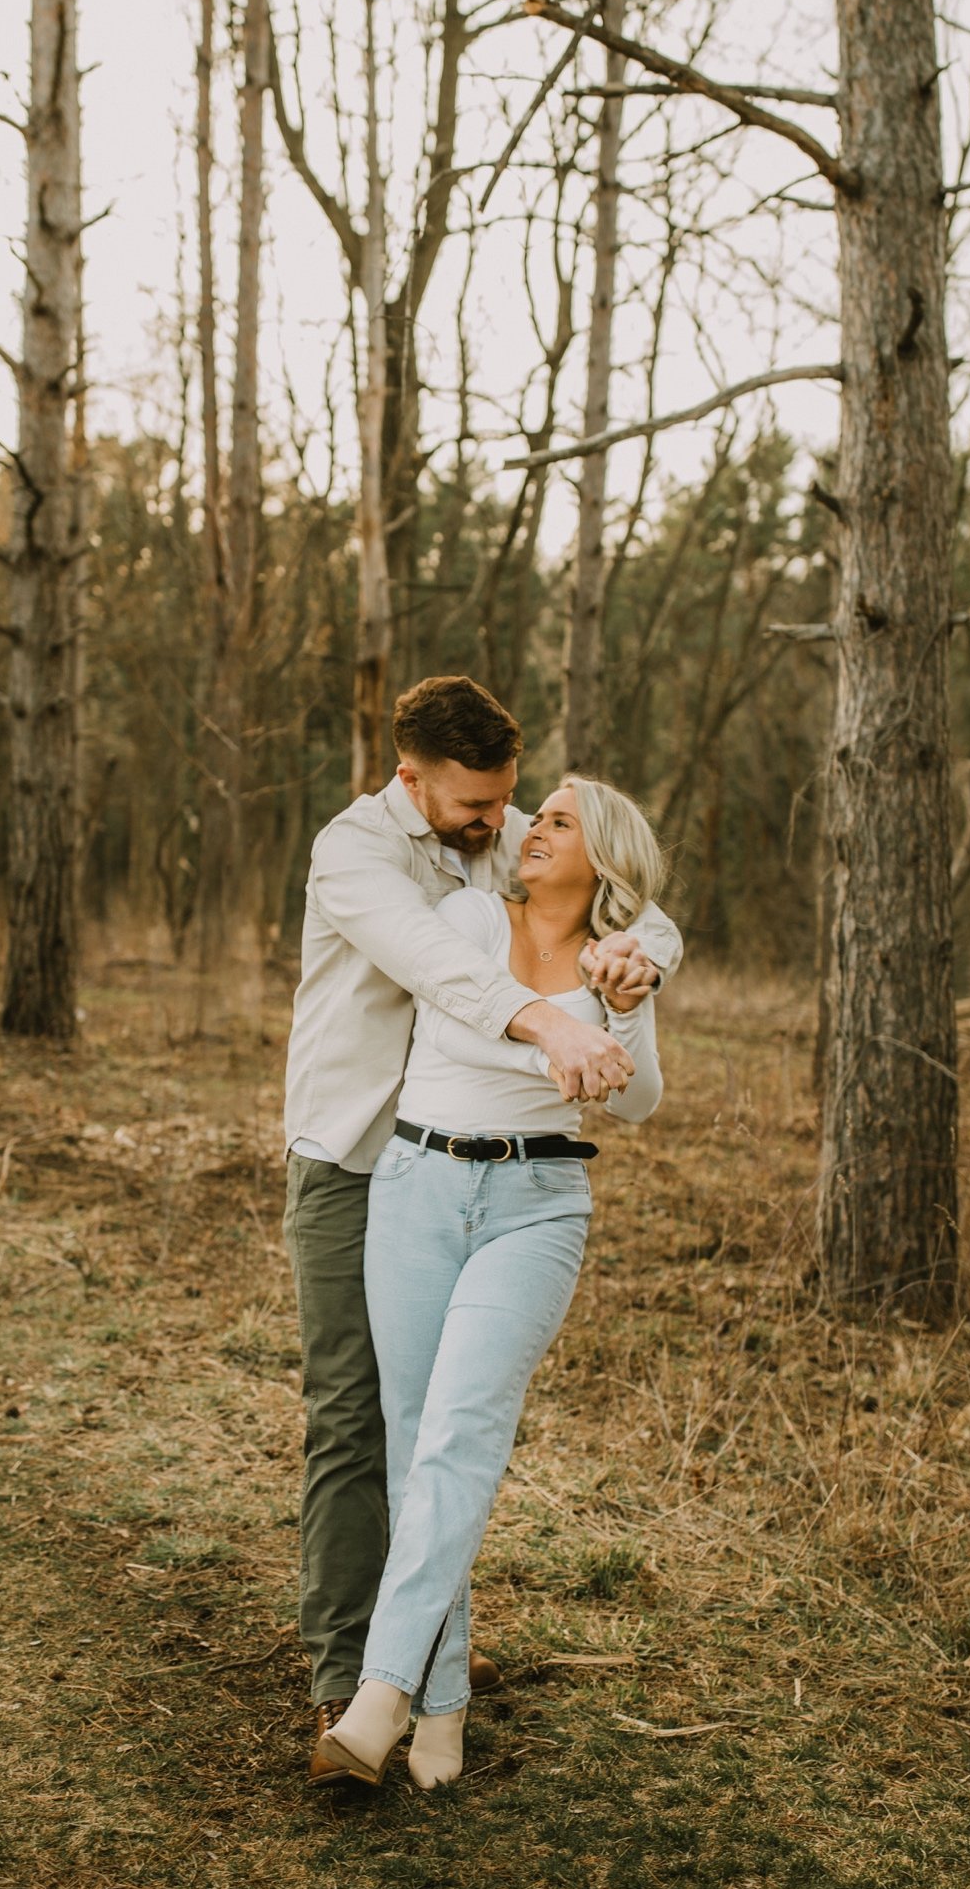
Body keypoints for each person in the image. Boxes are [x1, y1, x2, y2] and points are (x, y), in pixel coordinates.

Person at [282, 677, 682, 1783]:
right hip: (357, 1152)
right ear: (414, 780)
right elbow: (444, 977)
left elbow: (635, 899)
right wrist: (560, 1026)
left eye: (516, 805)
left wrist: (640, 972)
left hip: (515, 1184)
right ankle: (347, 1676)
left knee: (448, 1435)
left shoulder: (502, 842)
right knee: (361, 1425)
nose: (500, 824)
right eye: (481, 807)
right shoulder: (359, 854)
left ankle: (401, 1688)